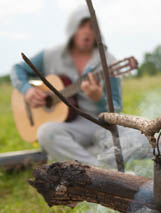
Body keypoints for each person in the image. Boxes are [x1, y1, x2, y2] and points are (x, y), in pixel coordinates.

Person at [10, 6, 122, 166]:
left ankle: (78, 160)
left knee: (133, 137)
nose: (87, 31)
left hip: (96, 126)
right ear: (72, 28)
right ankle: (101, 170)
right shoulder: (51, 55)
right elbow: (17, 69)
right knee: (46, 132)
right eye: (81, 25)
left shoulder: (109, 62)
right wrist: (26, 90)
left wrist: (99, 100)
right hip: (64, 127)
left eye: (92, 26)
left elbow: (116, 110)